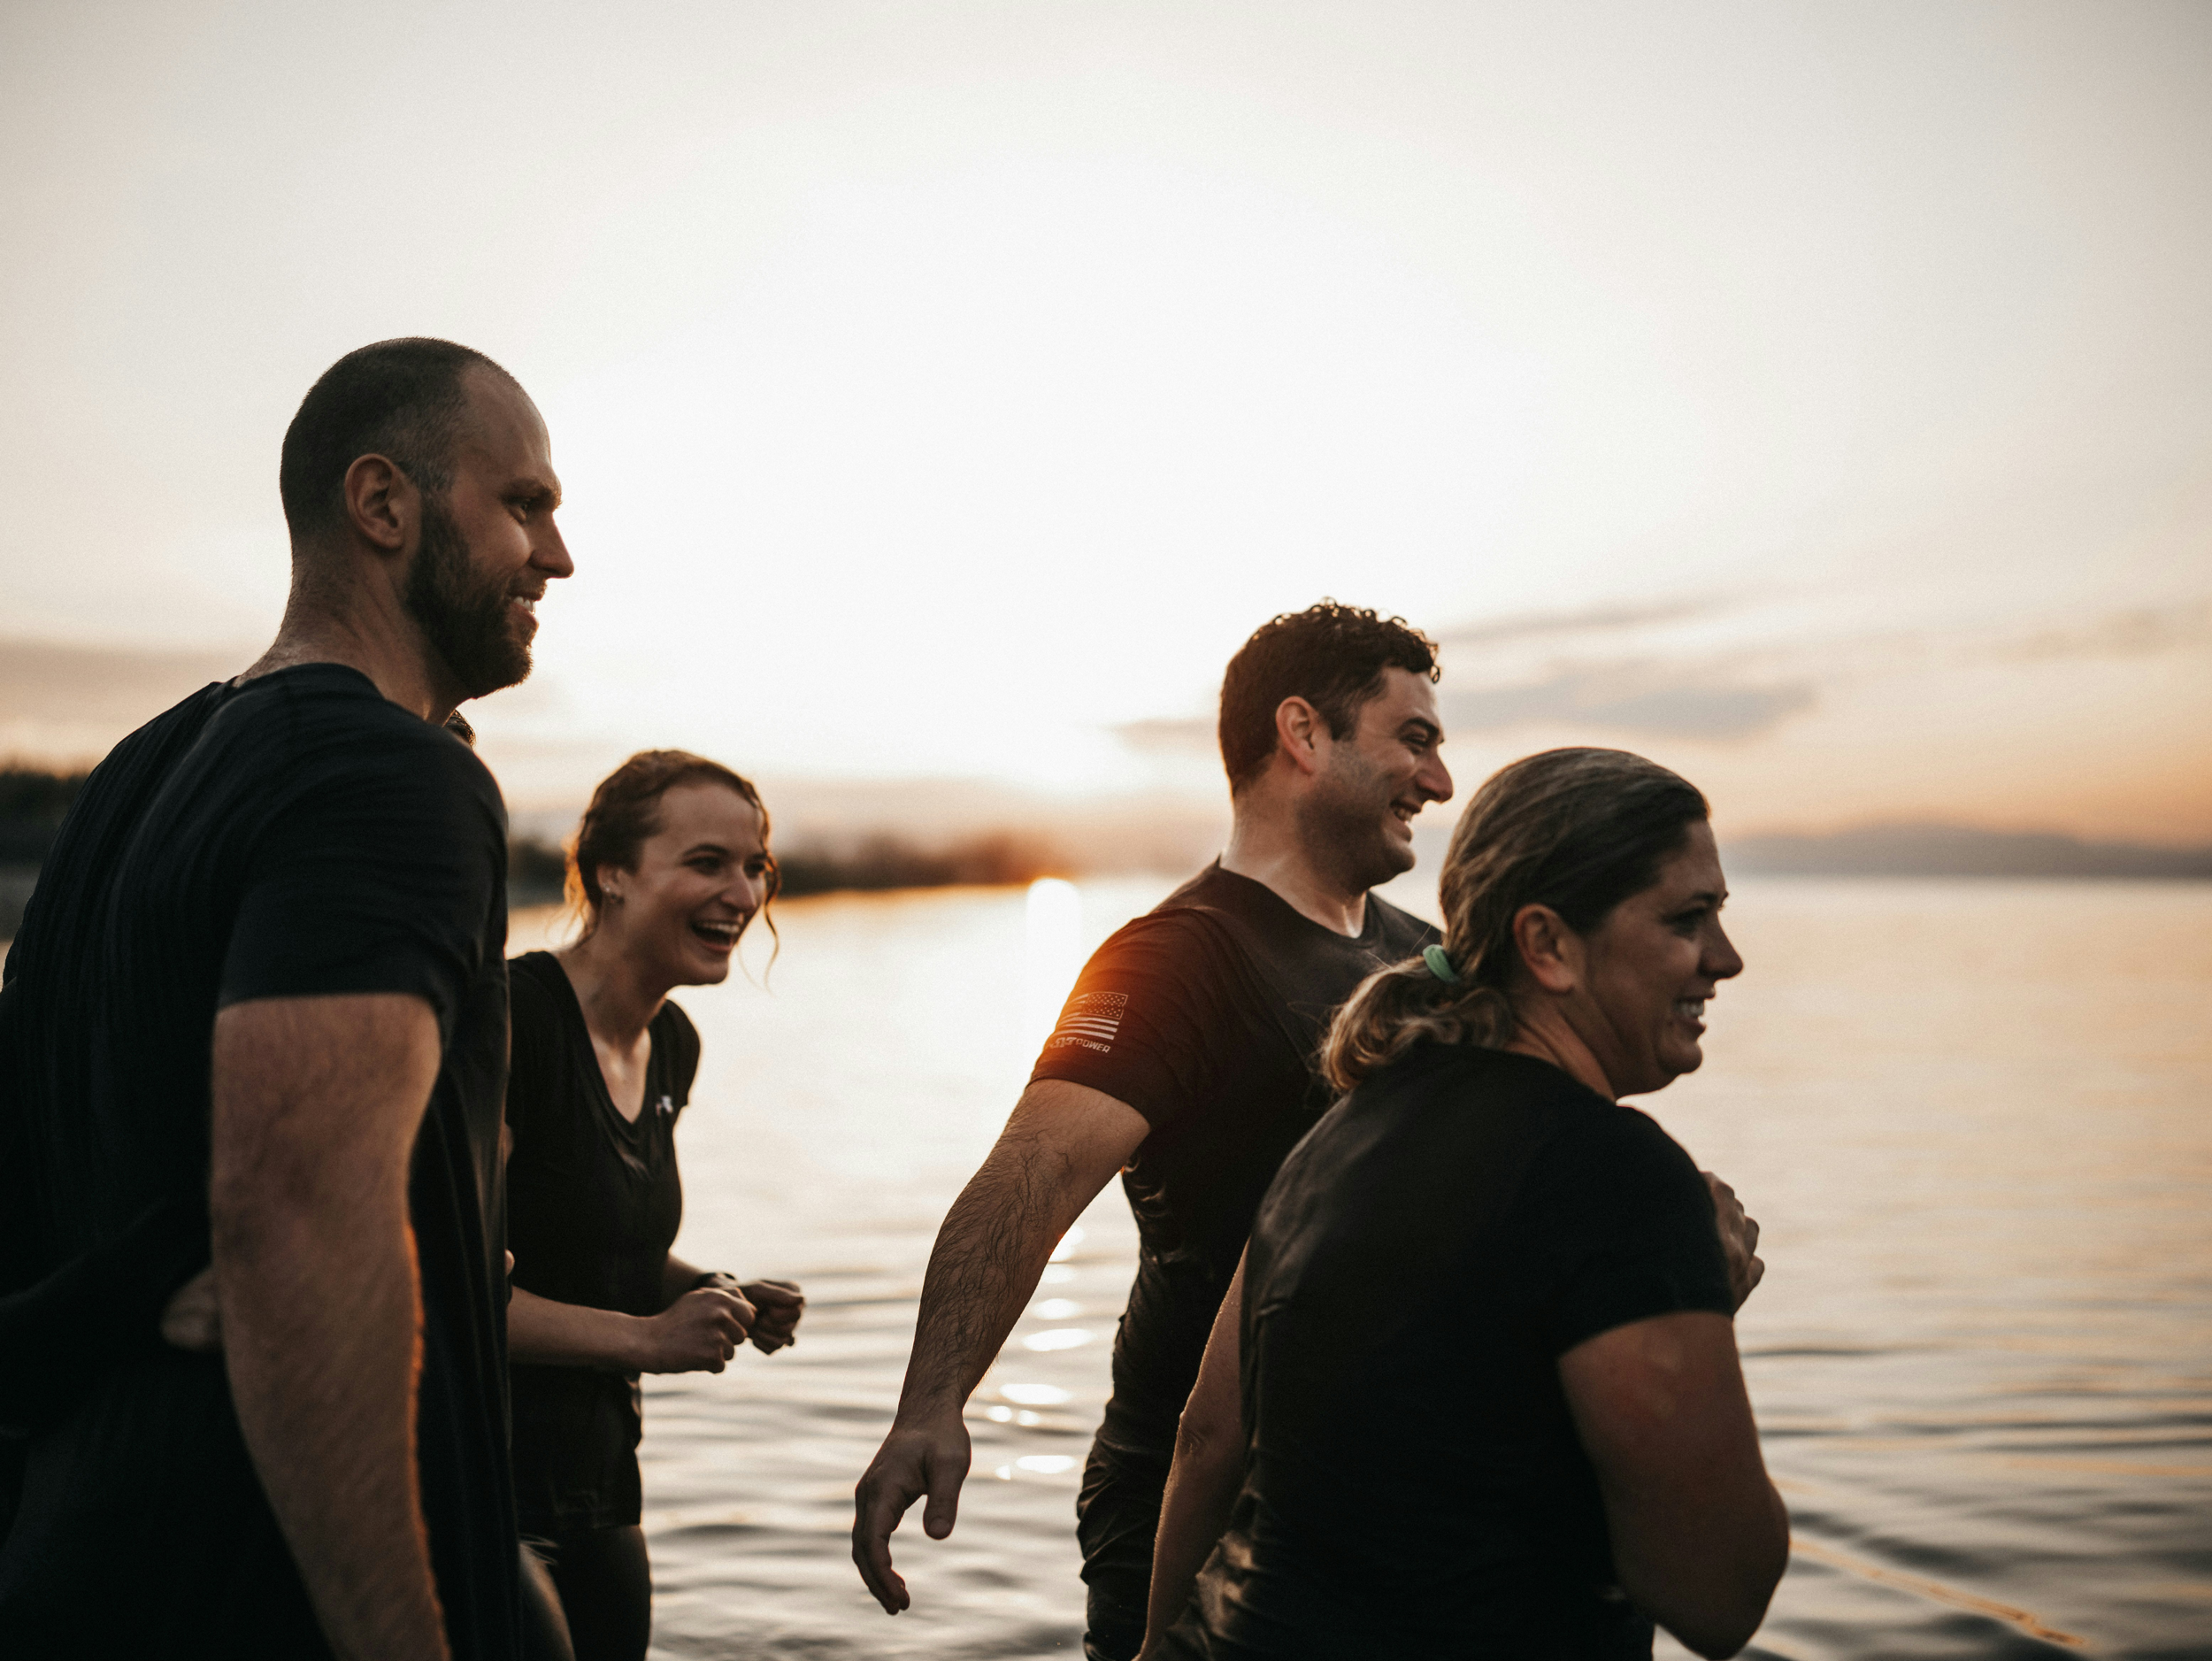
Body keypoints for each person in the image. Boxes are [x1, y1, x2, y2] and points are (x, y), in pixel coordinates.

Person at [0, 337, 572, 1658]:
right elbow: (300, 1219)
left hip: (73, 1564)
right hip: (264, 1590)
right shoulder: (384, 777)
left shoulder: (134, 779)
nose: (557, 557)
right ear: (384, 505)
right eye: (525, 504)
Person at [854, 603, 1455, 1659]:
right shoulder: (1178, 957)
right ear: (1304, 735)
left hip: (1390, 1509)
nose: (1439, 780)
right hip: (1202, 1515)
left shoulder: (1426, 958)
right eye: (1413, 738)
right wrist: (930, 1402)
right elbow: (1030, 1177)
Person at [1138, 747, 1788, 1660]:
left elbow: (1206, 1441)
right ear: (1548, 944)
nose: (1725, 958)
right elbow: (1719, 1596)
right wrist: (1696, 1291)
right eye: (1687, 919)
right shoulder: (1620, 1179)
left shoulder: (1333, 1138)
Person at [504, 750, 805, 1661]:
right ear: (612, 872)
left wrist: (713, 1288)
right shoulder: (513, 1020)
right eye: (707, 861)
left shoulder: (672, 1041)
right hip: (477, 1483)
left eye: (755, 866)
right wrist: (648, 1338)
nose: (743, 892)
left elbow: (595, 1241)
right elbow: (440, 1285)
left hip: (601, 1482)